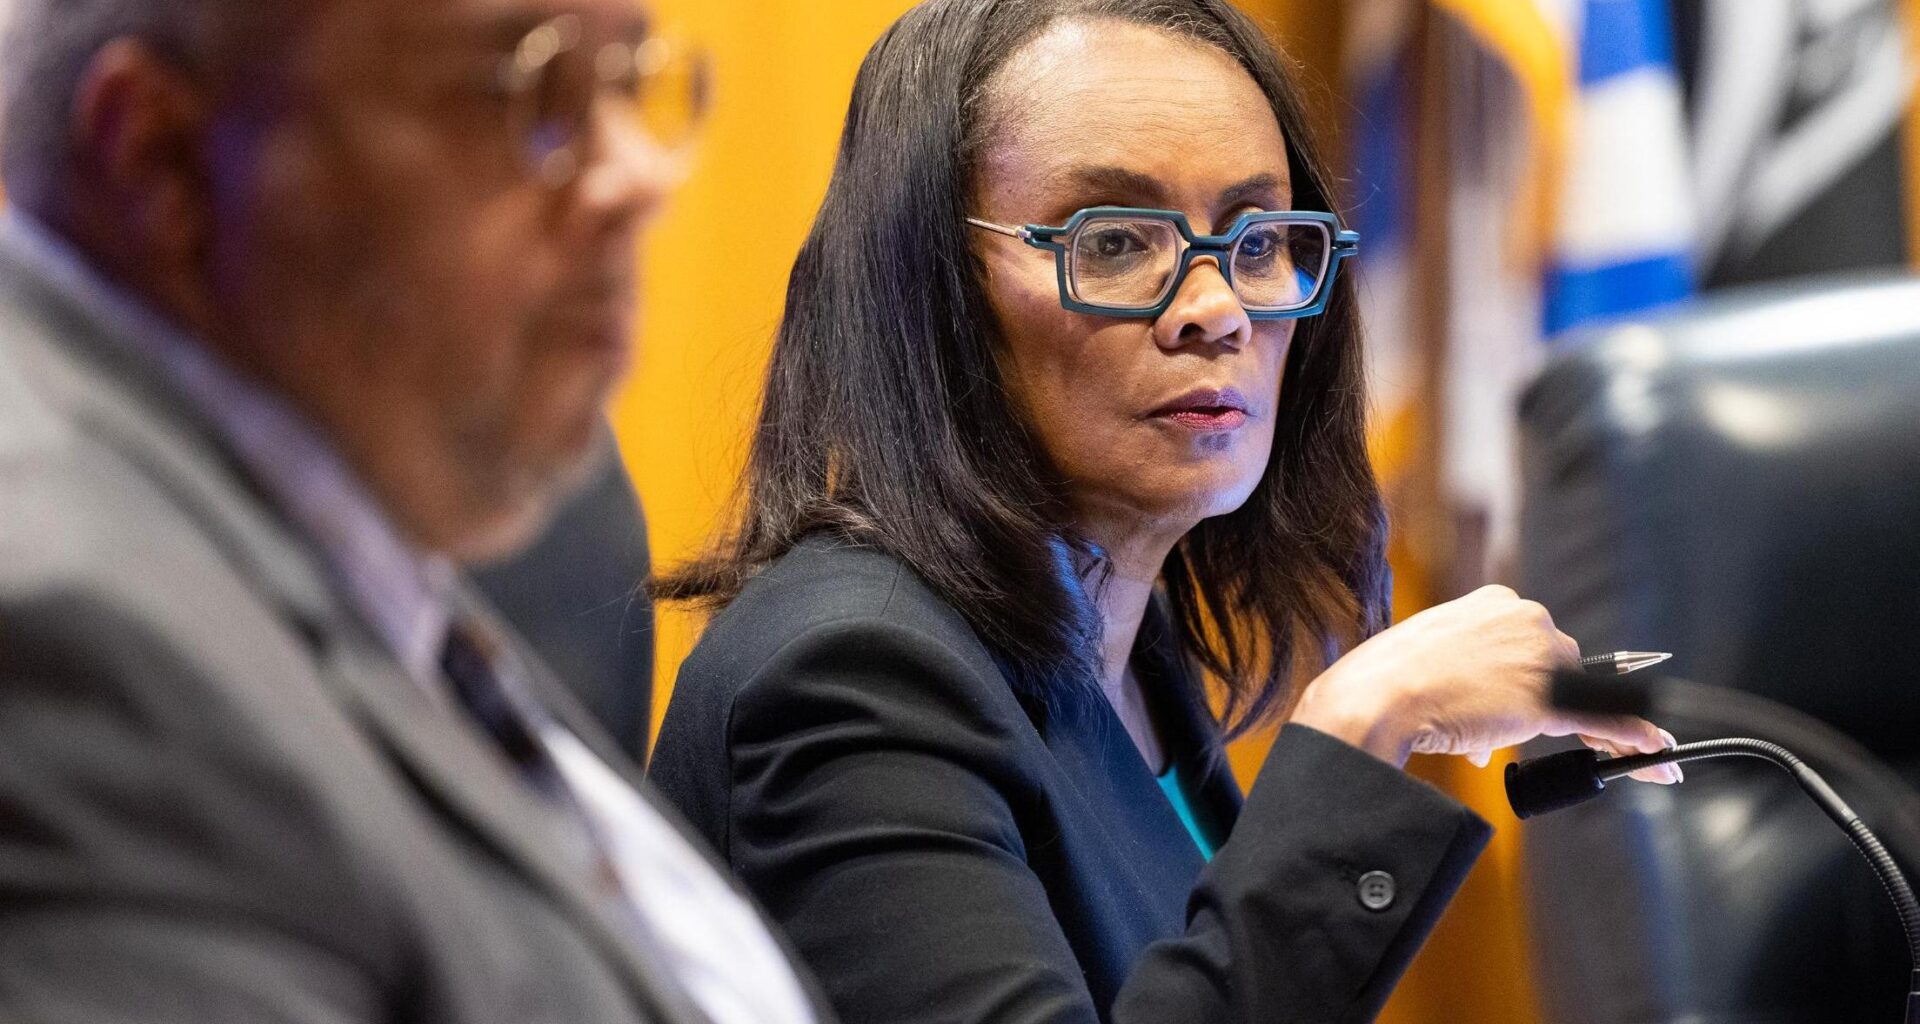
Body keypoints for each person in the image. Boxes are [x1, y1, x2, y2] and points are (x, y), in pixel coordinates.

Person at [646, 2, 1683, 1022]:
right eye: (1113, 243)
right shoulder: (848, 677)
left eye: (1257, 237)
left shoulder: (1118, 637)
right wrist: (1365, 727)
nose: (1217, 310)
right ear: (933, 286)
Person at [0, 1, 828, 1022]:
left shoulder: (343, 528)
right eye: (524, 87)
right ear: (162, 158)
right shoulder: (71, 628)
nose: (638, 174)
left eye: (628, 81)